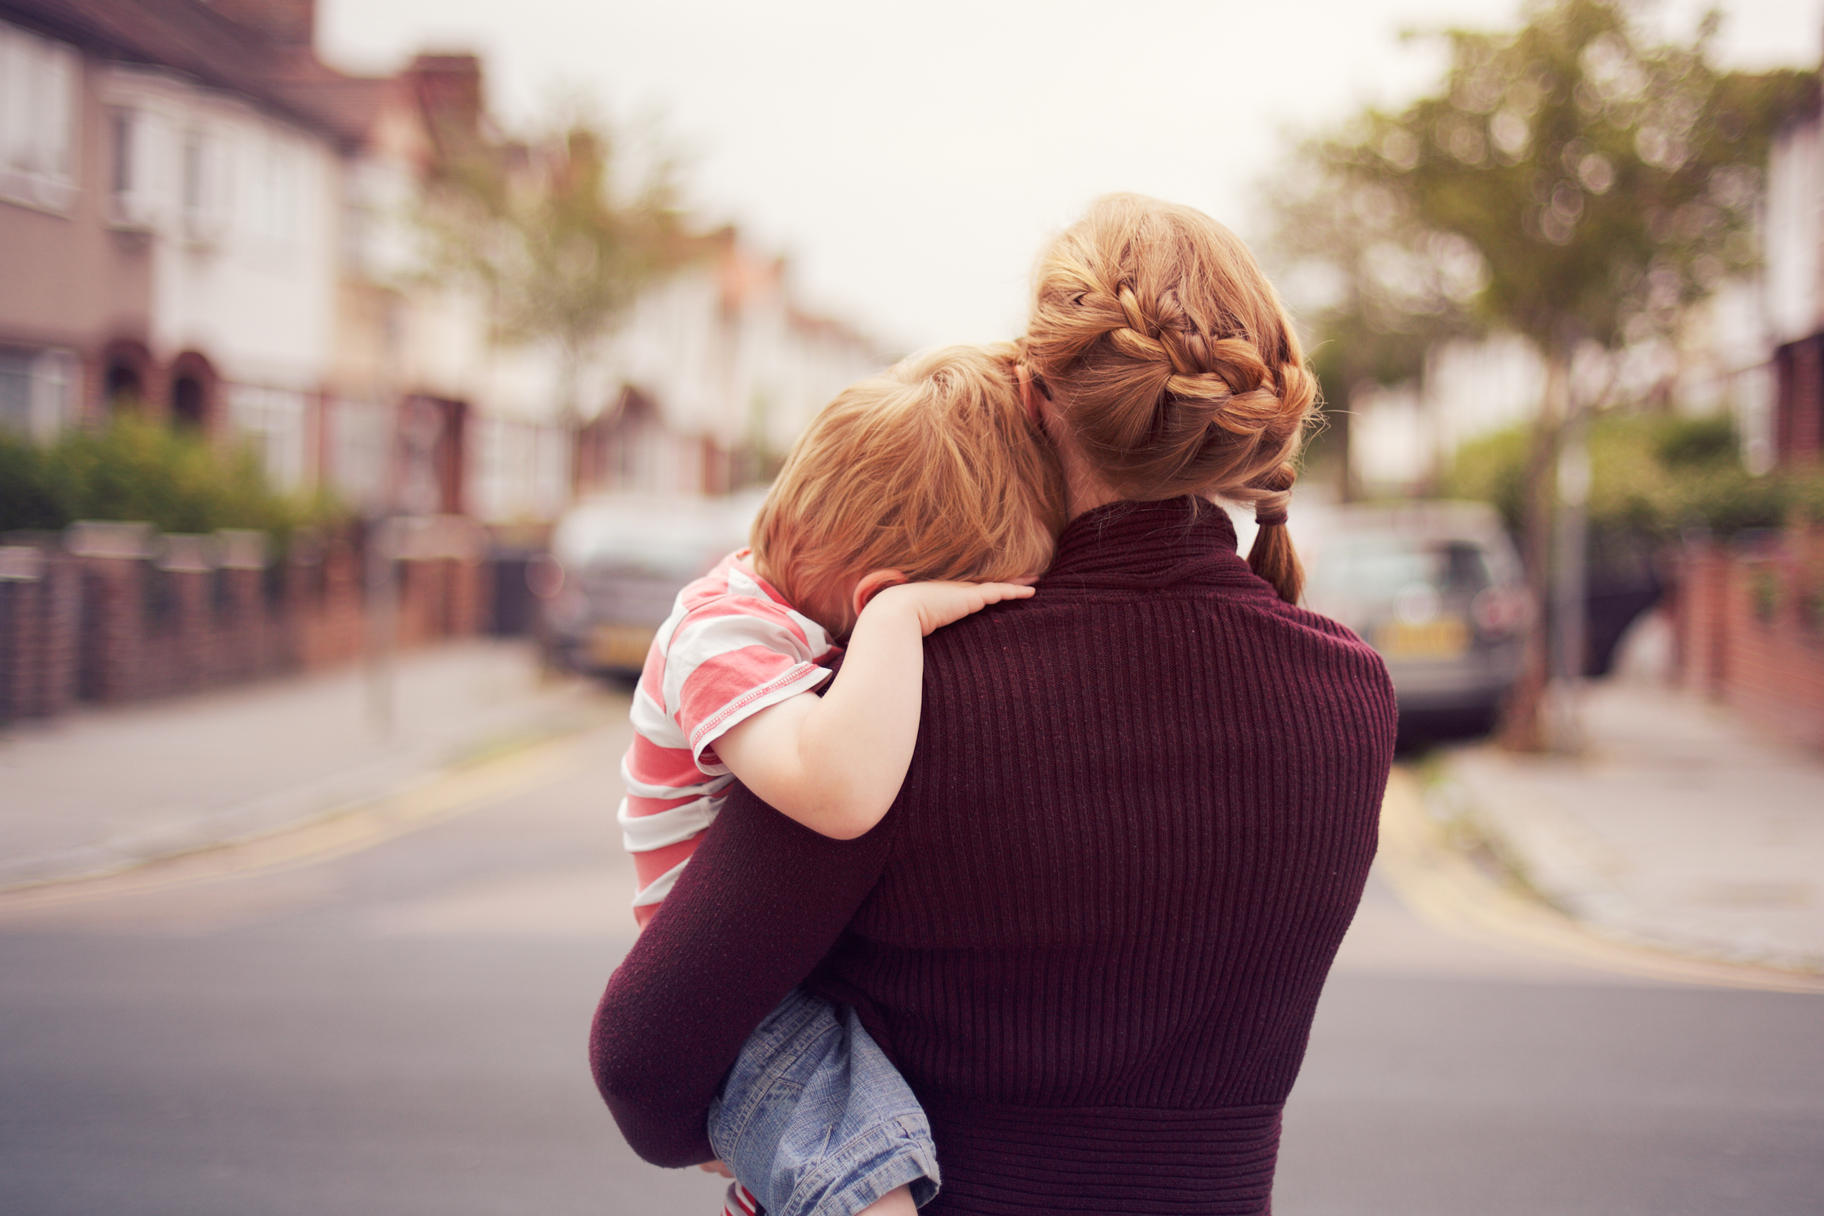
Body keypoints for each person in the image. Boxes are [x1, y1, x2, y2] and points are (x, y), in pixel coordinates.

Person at [592, 194, 1398, 1215]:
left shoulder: (916, 694)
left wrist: (731, 1126)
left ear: (1027, 394)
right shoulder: (1351, 695)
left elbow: (645, 1056)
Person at [622, 342, 1066, 1216]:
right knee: (868, 1183)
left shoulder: (794, 618)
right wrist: (903, 624)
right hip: (743, 1007)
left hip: (798, 979)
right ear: (878, 593)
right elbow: (838, 794)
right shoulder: (717, 632)